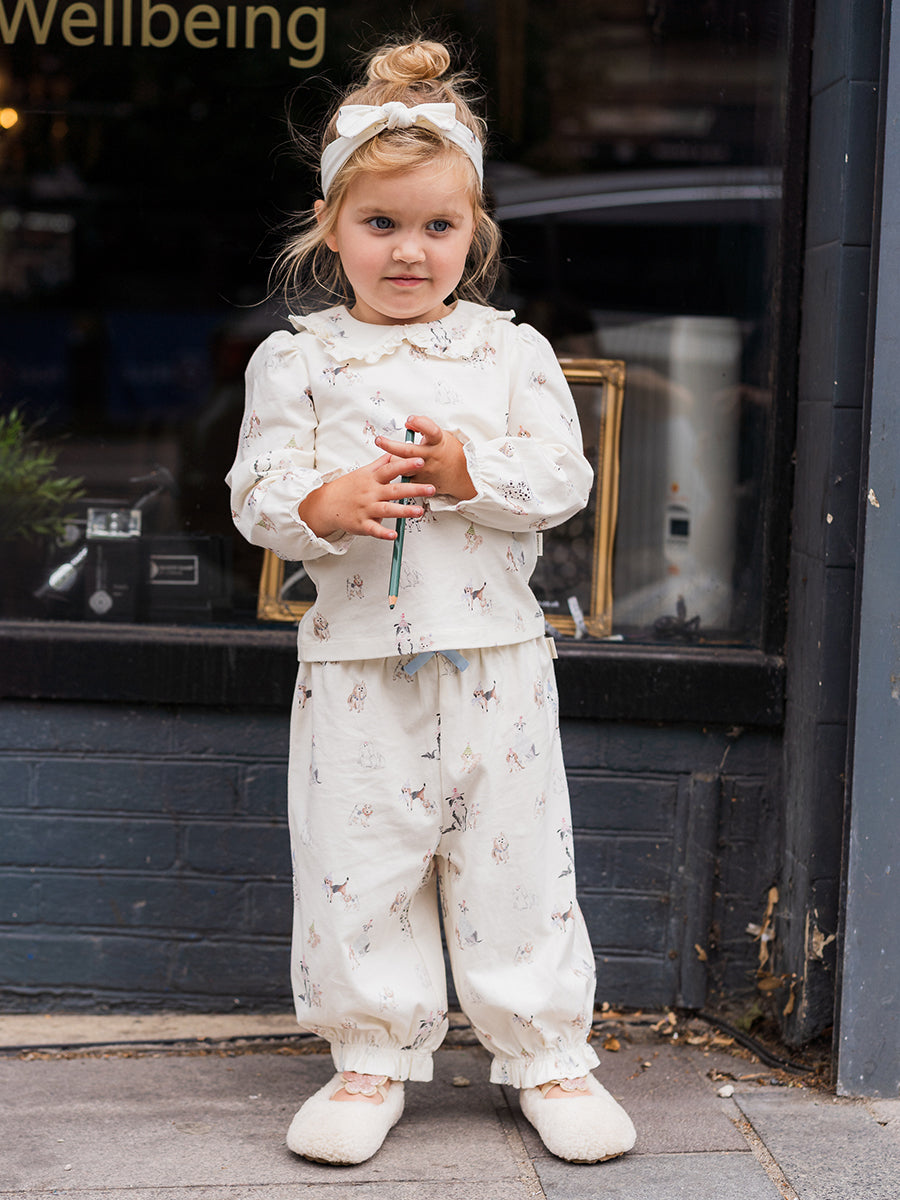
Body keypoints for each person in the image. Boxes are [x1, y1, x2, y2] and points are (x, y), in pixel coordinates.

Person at [227, 36, 636, 1168]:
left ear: (474, 231)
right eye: (381, 223)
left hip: (497, 656)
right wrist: (326, 500)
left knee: (516, 859)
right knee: (360, 861)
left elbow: (564, 478)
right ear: (330, 224)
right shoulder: (299, 361)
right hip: (357, 663)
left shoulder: (511, 353)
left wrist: (471, 474)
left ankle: (547, 1056)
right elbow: (256, 494)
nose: (409, 251)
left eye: (438, 226)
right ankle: (370, 1056)